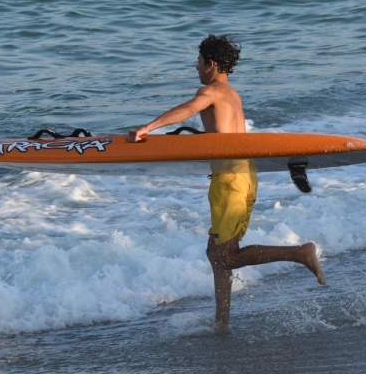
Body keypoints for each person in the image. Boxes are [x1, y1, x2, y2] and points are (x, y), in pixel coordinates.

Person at [129, 34, 325, 334]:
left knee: (226, 255)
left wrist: (148, 127)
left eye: (198, 62)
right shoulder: (232, 95)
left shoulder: (211, 91)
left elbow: (189, 108)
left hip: (229, 181)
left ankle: (300, 253)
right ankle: (222, 323)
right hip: (245, 175)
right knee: (217, 253)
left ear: (211, 63)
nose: (196, 68)